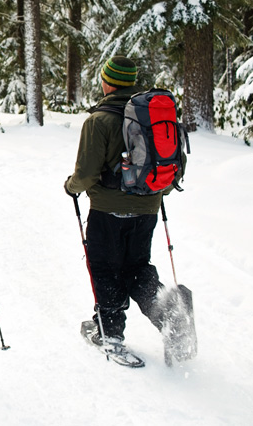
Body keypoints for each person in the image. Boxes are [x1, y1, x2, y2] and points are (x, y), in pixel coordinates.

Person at [64, 56, 180, 354]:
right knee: (137, 266)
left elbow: (87, 174)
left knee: (104, 267)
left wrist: (70, 186)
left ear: (107, 81)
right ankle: (170, 316)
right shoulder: (150, 116)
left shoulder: (99, 121)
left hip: (108, 209)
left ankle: (109, 331)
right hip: (148, 207)